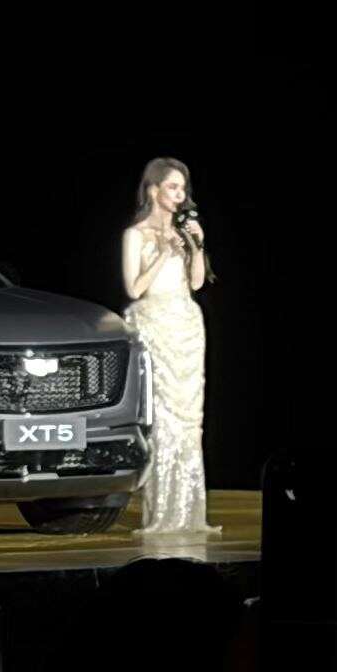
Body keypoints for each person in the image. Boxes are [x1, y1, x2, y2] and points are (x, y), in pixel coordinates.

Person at [120, 157, 212, 535]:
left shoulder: (183, 230)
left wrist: (196, 244)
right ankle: (160, 511)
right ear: (153, 189)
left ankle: (189, 512)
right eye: (172, 187)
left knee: (189, 421)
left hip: (186, 325)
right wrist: (162, 253)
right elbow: (134, 288)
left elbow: (197, 282)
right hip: (155, 323)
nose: (179, 194)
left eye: (182, 188)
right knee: (162, 418)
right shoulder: (136, 234)